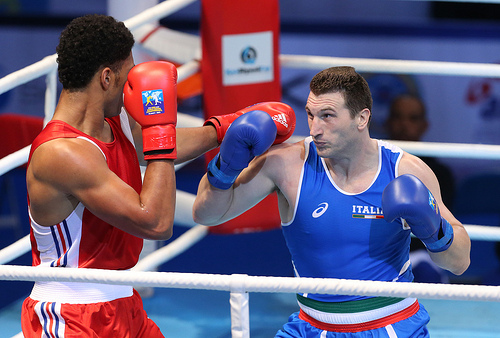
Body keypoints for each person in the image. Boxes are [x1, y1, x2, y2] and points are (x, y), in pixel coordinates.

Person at [20, 14, 295, 337]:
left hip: (122, 302)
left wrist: (227, 126)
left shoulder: (110, 126)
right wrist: (158, 127)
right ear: (107, 78)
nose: (130, 88)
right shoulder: (62, 153)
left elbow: (161, 147)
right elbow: (154, 221)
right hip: (71, 313)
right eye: (127, 78)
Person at [193, 66, 471, 337]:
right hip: (309, 325)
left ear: (362, 118)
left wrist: (434, 229)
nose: (314, 129)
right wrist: (225, 166)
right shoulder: (287, 164)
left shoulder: (405, 170)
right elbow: (206, 214)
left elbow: (459, 263)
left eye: (327, 116)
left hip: (390, 326)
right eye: (310, 115)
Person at [387, 94, 455, 283]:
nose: (404, 124)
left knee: (426, 273)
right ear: (388, 122)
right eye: (398, 117)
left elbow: (442, 226)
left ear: (424, 125)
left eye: (412, 118)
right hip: (378, 253)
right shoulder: (369, 167)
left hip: (422, 254)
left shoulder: (439, 173)